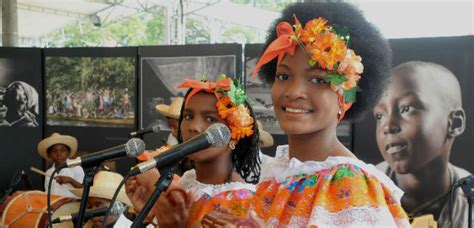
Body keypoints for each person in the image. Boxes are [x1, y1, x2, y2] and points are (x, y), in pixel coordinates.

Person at [243, 2, 409, 227]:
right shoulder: (278, 172)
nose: (294, 92)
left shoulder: (351, 185)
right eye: (283, 76)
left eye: (318, 80)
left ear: (347, 96)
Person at [126, 75, 261, 227]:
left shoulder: (244, 202)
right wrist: (144, 218)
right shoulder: (182, 185)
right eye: (188, 116)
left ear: (235, 135)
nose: (194, 126)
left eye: (210, 119)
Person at [373, 61, 470, 227]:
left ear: (454, 123)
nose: (388, 126)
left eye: (406, 108)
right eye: (380, 116)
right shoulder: (356, 192)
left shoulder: (469, 200)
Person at [39, 132, 84, 198]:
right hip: (55, 206)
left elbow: (85, 190)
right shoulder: (49, 172)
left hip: (74, 206)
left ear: (68, 153)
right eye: (54, 151)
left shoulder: (76, 168)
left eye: (63, 150)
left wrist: (71, 181)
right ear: (49, 155)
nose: (59, 154)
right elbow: (48, 194)